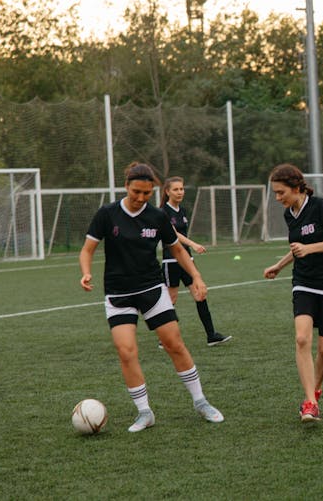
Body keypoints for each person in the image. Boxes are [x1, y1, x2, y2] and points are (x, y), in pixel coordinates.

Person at [79, 162, 224, 432]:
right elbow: (87, 250)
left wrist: (196, 277)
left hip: (151, 290)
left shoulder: (157, 217)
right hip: (118, 293)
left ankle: (201, 402)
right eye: (136, 192)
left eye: (146, 193)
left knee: (175, 345)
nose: (140, 198)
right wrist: (85, 273)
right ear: (126, 186)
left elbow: (178, 250)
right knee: (126, 352)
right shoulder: (107, 214)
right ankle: (144, 412)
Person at [262, 164, 323, 422]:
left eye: (281, 193)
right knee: (302, 339)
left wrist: (309, 249)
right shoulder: (290, 214)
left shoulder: (321, 206)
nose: (278, 198)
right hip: (304, 282)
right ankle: (310, 402)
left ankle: (315, 390)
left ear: (297, 187)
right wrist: (279, 266)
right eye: (276, 193)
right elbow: (297, 248)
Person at [160, 176, 231, 347]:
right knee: (172, 299)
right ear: (167, 191)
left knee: (200, 294)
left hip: (187, 260)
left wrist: (190, 250)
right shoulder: (162, 212)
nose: (180, 192)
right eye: (176, 189)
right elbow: (173, 234)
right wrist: (193, 244)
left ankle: (211, 335)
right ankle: (164, 338)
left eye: (182, 189)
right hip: (171, 261)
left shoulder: (182, 210)